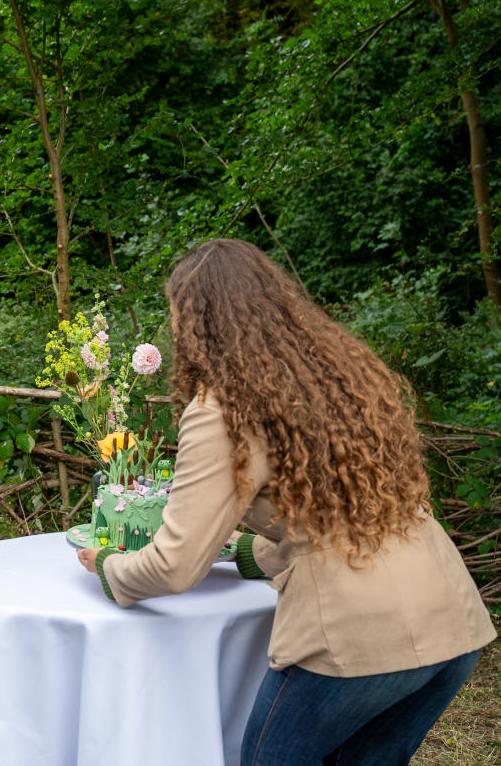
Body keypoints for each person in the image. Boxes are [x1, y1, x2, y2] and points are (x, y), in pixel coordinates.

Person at [76, 238, 496, 763]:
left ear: (195, 322)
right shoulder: (339, 374)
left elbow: (175, 566)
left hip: (358, 641)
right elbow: (337, 519)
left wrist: (111, 567)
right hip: (451, 618)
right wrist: (253, 554)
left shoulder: (223, 410)